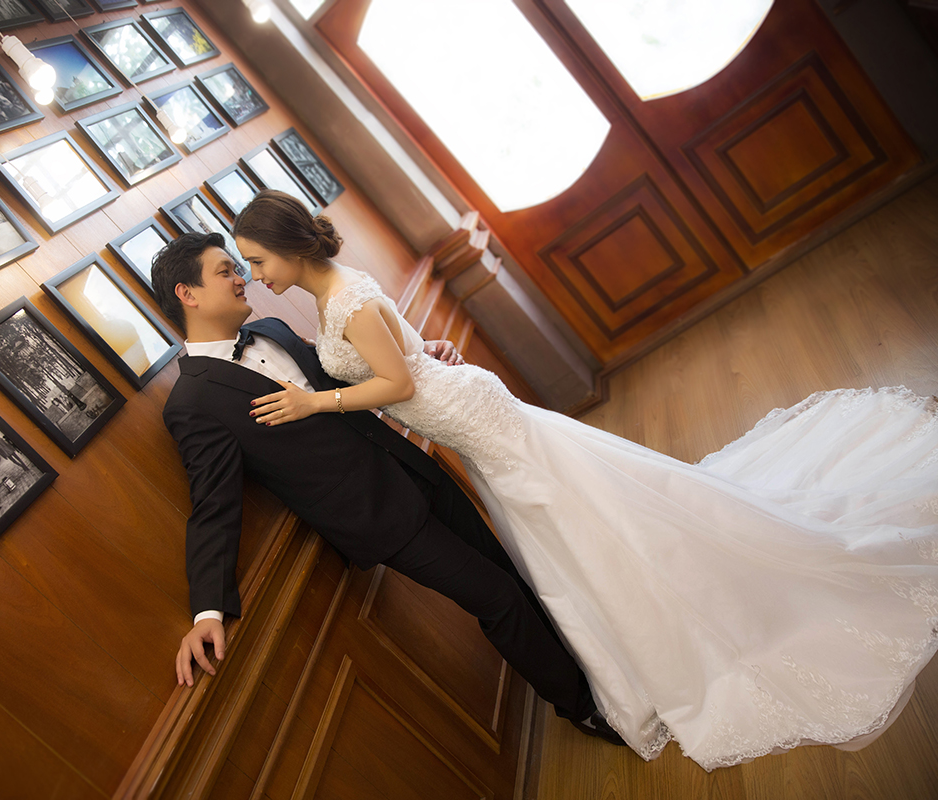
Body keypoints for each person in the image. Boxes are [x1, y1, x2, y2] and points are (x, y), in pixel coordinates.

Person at [230, 189, 938, 770]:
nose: (256, 276)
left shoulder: (346, 300)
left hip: (475, 420)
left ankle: (678, 612)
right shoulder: (335, 293)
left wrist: (314, 403)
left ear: (291, 246)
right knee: (581, 515)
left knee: (585, 515)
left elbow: (397, 382)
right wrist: (424, 349)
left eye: (258, 261)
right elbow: (404, 355)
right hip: (468, 414)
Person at [150, 231, 625, 745]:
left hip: (414, 468)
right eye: (225, 271)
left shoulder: (272, 329)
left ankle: (601, 676)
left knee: (510, 571)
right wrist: (208, 609)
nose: (242, 278)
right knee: (496, 598)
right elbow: (213, 504)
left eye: (240, 267)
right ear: (187, 294)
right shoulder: (191, 403)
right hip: (379, 520)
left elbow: (350, 376)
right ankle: (581, 706)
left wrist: (417, 353)